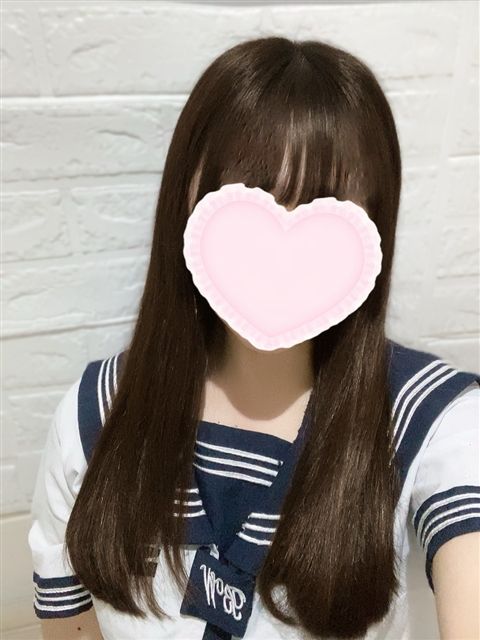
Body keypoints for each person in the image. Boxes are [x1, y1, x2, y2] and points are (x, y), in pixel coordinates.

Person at [28, 36, 480, 640]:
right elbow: (69, 620)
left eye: (324, 206)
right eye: (248, 196)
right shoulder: (95, 414)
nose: (279, 247)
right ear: (186, 202)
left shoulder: (431, 420)